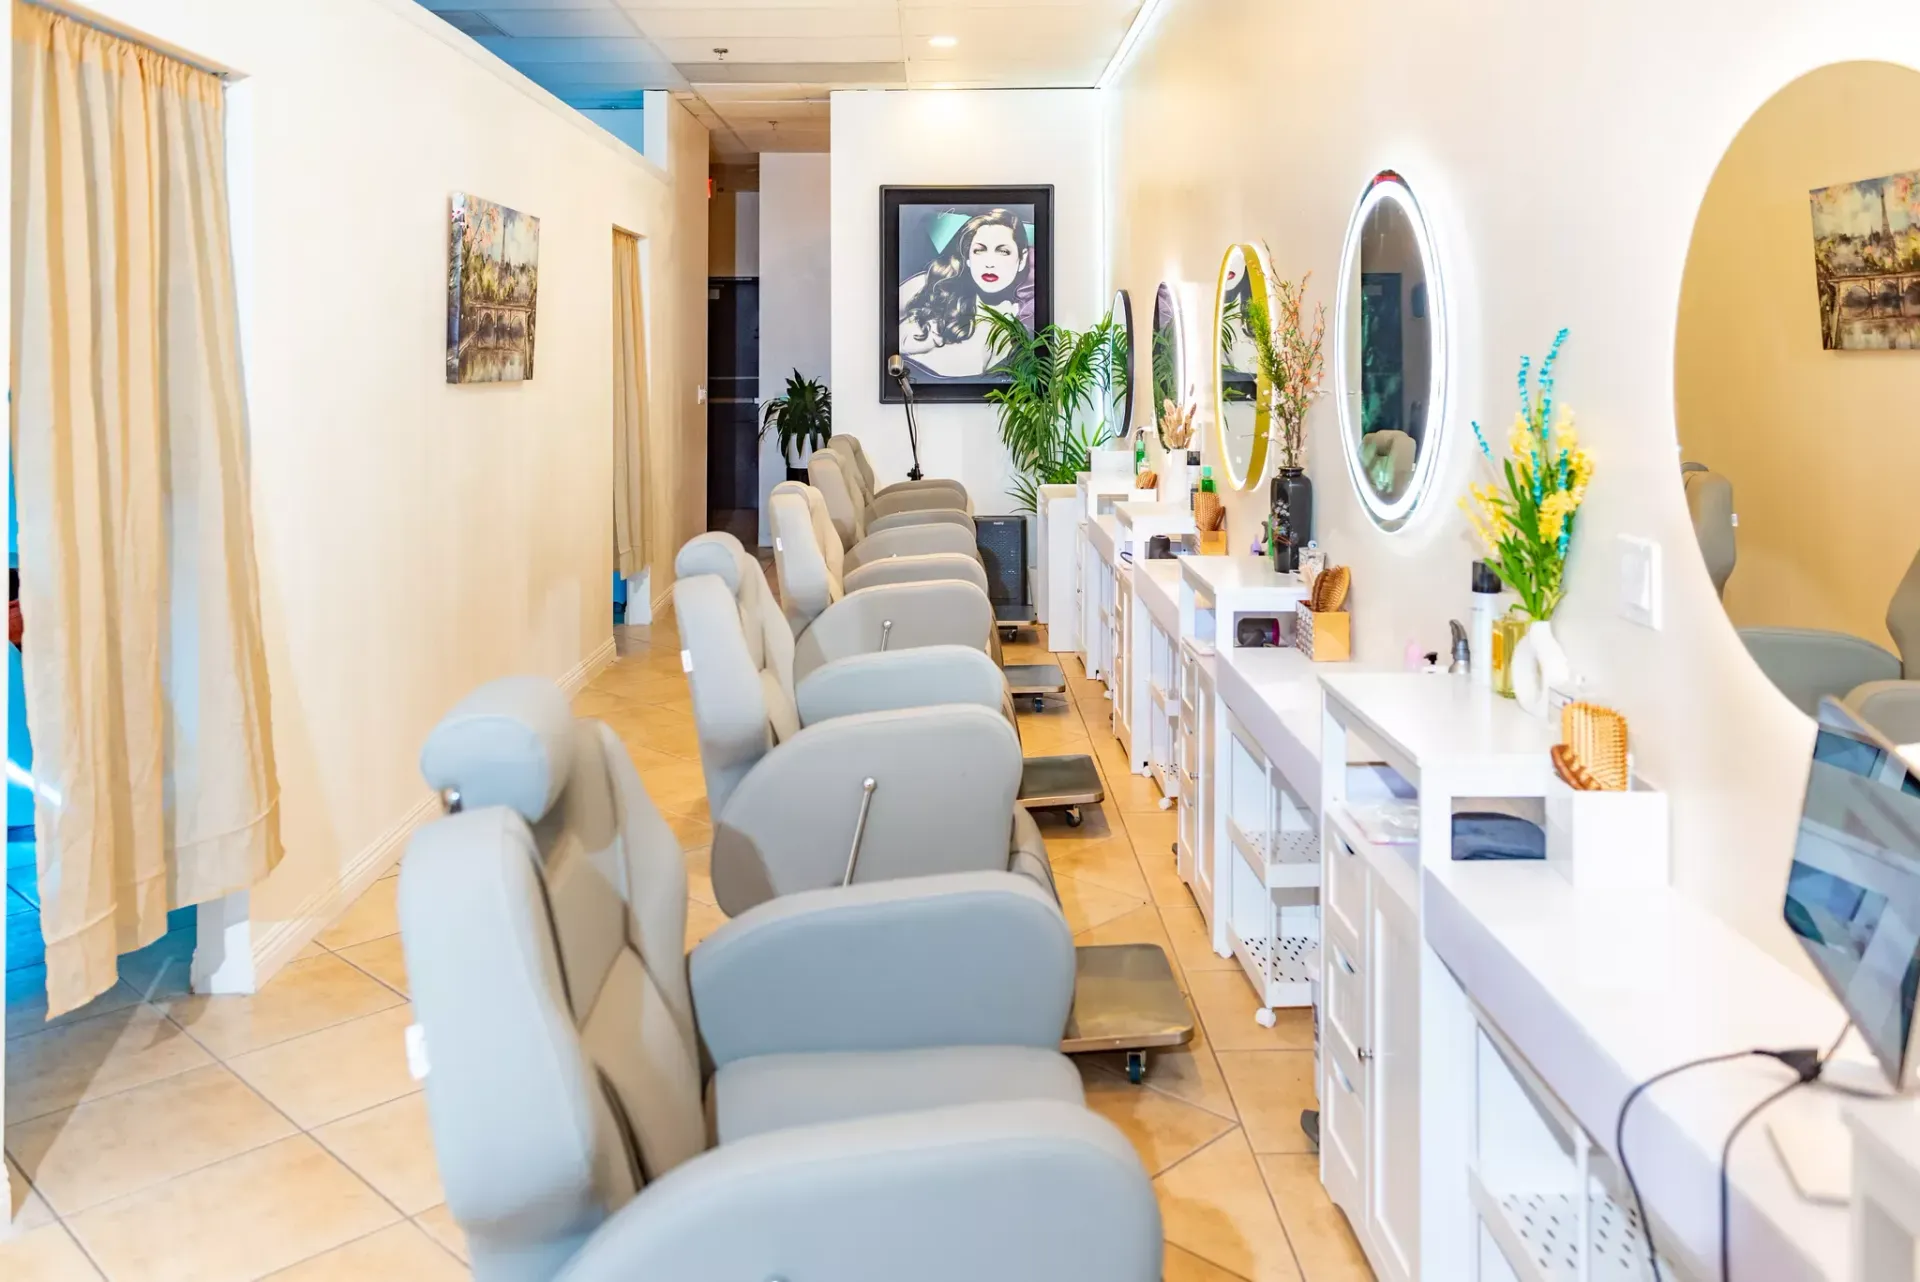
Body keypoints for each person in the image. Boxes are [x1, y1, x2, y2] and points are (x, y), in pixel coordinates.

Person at [898, 208, 1034, 378]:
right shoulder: (930, 285)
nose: (990, 263)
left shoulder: (1023, 334)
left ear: (1021, 259)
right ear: (968, 258)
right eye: (980, 250)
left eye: (1003, 251)